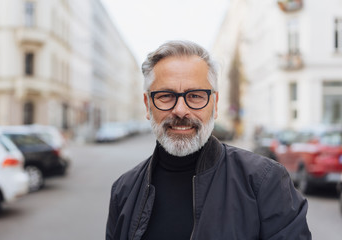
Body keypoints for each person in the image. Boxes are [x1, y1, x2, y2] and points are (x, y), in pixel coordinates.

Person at [106, 40, 311, 240]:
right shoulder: (124, 190)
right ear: (147, 105)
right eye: (166, 96)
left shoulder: (264, 182)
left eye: (195, 96)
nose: (180, 110)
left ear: (215, 104)